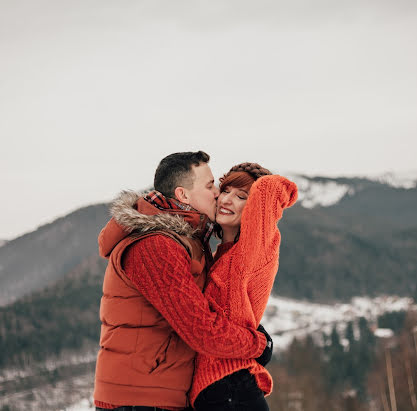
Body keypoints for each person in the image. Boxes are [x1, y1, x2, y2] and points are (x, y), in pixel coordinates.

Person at [93, 152, 272, 411]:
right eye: (210, 185)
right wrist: (256, 344)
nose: (217, 193)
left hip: (161, 395)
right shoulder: (156, 246)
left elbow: (214, 302)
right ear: (183, 195)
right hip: (139, 400)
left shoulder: (189, 241)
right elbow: (201, 329)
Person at [189, 163, 298, 411]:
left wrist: (258, 178)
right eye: (224, 191)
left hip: (231, 388)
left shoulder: (255, 248)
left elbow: (271, 188)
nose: (226, 200)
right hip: (219, 390)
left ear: (256, 208)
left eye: (241, 197)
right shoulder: (220, 254)